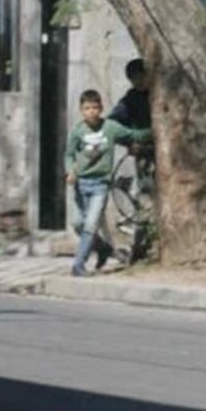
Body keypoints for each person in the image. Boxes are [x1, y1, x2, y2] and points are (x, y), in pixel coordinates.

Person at [65, 89, 151, 277]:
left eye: (95, 108)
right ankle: (103, 248)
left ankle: (78, 265)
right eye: (87, 108)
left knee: (90, 224)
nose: (91, 112)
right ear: (81, 110)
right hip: (81, 185)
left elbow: (132, 135)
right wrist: (70, 170)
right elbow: (69, 154)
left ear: (101, 108)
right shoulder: (78, 131)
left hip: (100, 185)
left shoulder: (110, 127)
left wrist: (153, 131)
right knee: (78, 224)